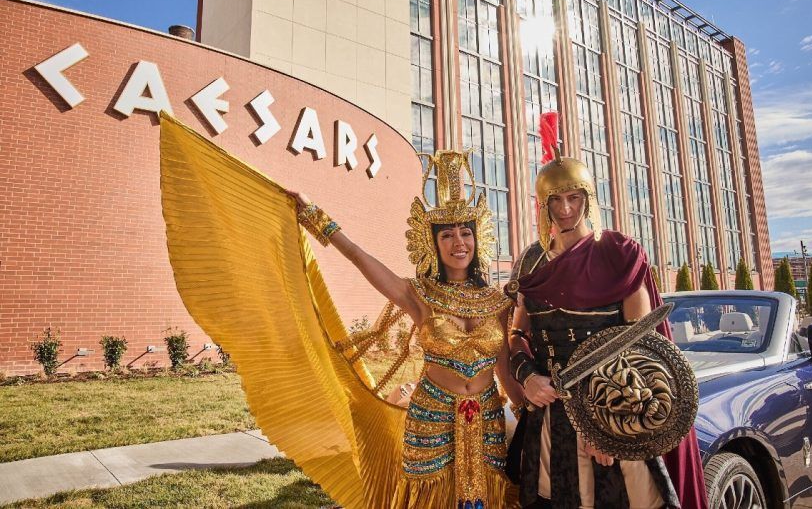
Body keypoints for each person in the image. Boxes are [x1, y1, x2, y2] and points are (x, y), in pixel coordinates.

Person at [159, 113, 521, 509]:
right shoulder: (419, 295)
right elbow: (361, 259)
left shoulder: (499, 302)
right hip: (431, 417)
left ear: (477, 238)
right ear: (433, 244)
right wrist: (319, 218)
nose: (458, 242)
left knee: (489, 495)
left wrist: (529, 413)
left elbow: (503, 368)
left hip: (484, 419)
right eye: (447, 234)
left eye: (465, 232)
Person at [504, 113, 708, 508]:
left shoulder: (618, 253)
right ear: (542, 205)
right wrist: (527, 377)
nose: (565, 209)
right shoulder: (531, 262)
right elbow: (517, 334)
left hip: (612, 414)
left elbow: (643, 347)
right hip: (550, 419)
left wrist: (613, 424)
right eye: (555, 200)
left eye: (574, 197)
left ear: (588, 198)